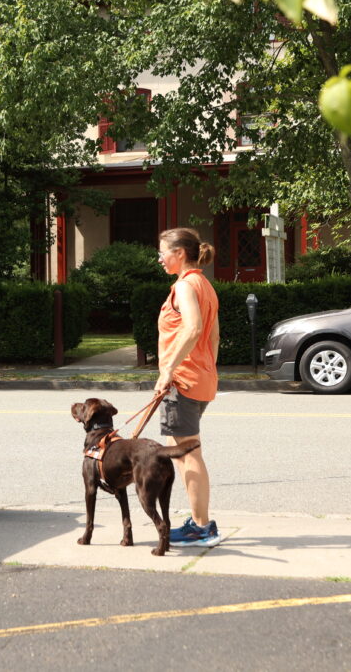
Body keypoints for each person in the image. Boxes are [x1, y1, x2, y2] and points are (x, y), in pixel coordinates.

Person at [154, 227, 221, 546]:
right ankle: (200, 522)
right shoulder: (204, 285)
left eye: (163, 252)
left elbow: (194, 329)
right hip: (201, 378)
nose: (160, 258)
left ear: (179, 254)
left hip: (183, 381)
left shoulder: (184, 286)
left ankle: (201, 526)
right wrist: (208, 368)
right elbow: (214, 337)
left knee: (187, 454)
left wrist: (168, 370)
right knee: (185, 451)